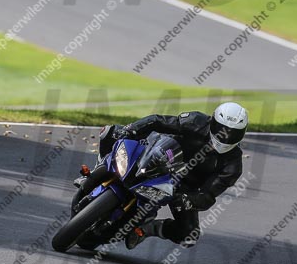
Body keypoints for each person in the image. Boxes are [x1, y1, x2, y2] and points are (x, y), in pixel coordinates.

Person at [75, 102, 248, 250]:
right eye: (223, 130)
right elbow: (158, 121)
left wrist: (189, 200)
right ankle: (96, 170)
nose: (226, 136)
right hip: (159, 154)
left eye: (233, 133)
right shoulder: (196, 121)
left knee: (189, 235)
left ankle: (149, 228)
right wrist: (132, 129)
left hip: (182, 188)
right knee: (112, 132)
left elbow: (209, 194)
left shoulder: (232, 165)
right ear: (213, 122)